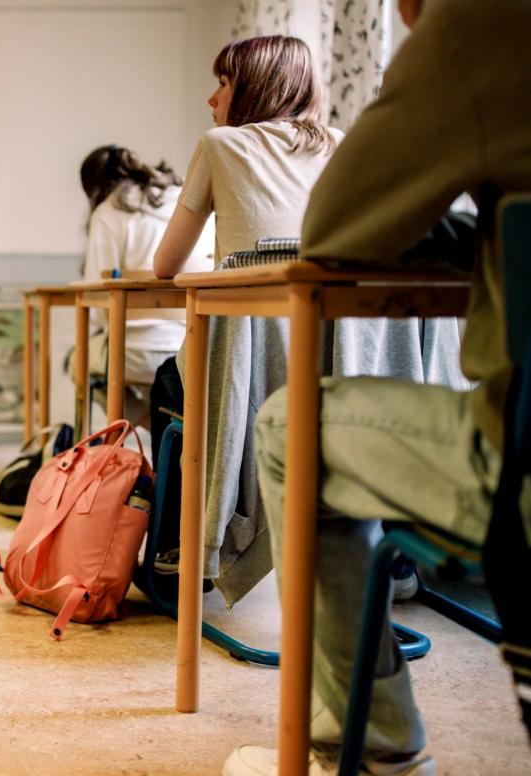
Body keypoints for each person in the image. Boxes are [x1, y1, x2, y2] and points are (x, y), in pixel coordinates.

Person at [224, 0, 531, 773]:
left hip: (517, 472)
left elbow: (334, 227)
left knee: (286, 427)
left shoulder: (482, 25)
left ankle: (373, 746)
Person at [149, 34, 468, 605]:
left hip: (256, 376)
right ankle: (377, 540)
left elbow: (165, 265)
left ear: (255, 87)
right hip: (348, 373)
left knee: (168, 383)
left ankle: (184, 555)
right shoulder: (343, 147)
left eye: (222, 82)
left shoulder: (220, 145)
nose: (211, 97)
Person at [76, 145, 213, 433]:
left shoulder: (108, 210)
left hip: (130, 350)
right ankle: (171, 431)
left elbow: (100, 307)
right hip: (190, 346)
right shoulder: (184, 198)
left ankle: (152, 426)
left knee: (77, 363)